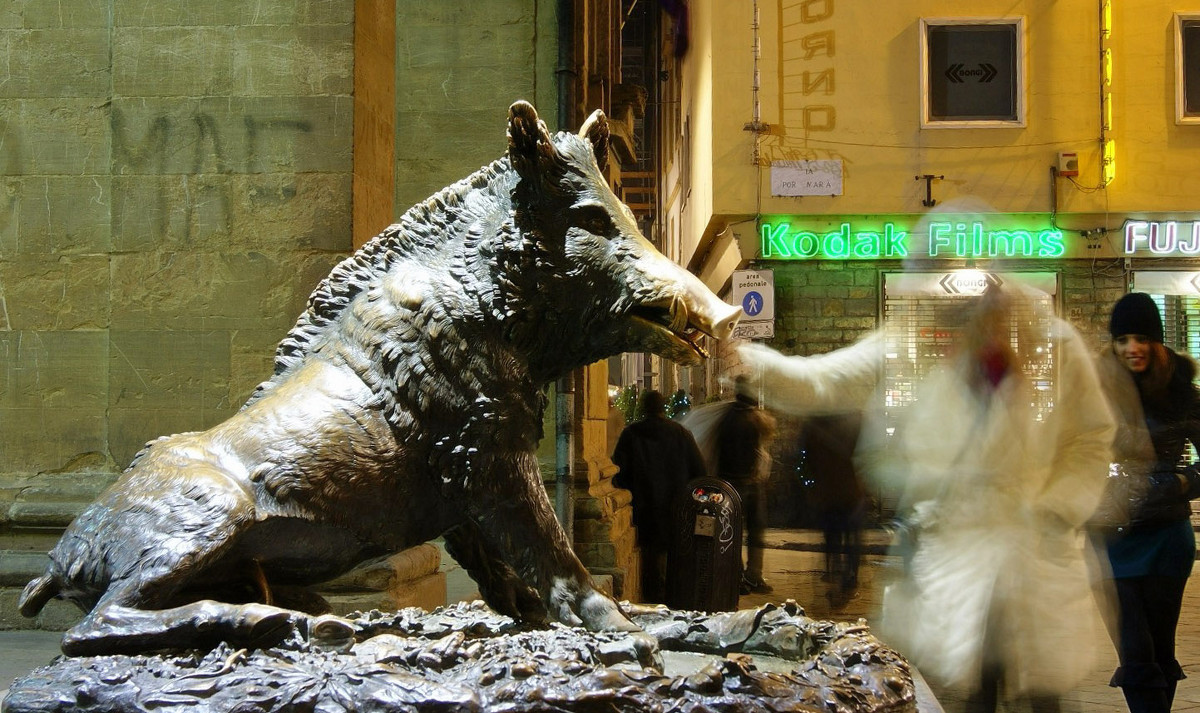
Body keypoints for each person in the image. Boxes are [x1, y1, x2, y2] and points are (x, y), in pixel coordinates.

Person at [738, 285, 1115, 713]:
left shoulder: (1055, 345)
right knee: (979, 686)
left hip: (1036, 556)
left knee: (1044, 692)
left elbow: (1092, 436)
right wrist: (749, 361)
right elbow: (823, 381)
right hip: (964, 556)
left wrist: (1059, 506)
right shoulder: (913, 346)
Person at [1093, 292, 1200, 713]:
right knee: (1135, 652)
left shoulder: (1183, 393)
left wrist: (1180, 482)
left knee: (1158, 650)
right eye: (1122, 339)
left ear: (1157, 342)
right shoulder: (1094, 392)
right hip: (1109, 537)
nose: (1131, 348)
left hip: (1166, 537)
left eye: (1140, 337)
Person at [612, 389, 708, 604]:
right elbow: (699, 470)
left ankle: (653, 594)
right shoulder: (681, 434)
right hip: (676, 504)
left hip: (644, 504)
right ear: (662, 407)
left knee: (650, 553)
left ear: (644, 408)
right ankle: (673, 594)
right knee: (674, 550)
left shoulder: (631, 434)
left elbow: (618, 471)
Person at [713, 374, 777, 594]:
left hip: (731, 482)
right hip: (746, 483)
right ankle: (751, 576)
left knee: (733, 532)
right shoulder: (752, 418)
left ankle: (740, 576)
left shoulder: (728, 417)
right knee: (754, 531)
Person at [800, 411, 867, 605]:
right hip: (851, 492)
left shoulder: (813, 425)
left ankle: (833, 574)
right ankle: (850, 579)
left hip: (827, 493)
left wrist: (811, 485)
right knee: (852, 539)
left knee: (832, 537)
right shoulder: (855, 421)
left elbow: (803, 460)